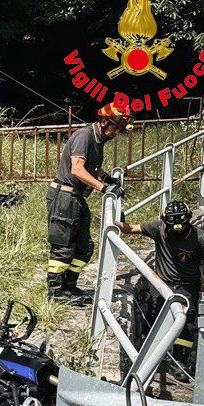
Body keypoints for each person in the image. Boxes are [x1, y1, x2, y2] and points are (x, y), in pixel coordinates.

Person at [116, 200, 204, 371]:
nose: (177, 227)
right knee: (153, 318)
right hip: (161, 285)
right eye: (173, 223)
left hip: (187, 286)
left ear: (188, 219)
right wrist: (118, 220)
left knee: (186, 326)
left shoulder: (200, 237)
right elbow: (131, 229)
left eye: (181, 222)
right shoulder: (158, 229)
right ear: (165, 221)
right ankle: (149, 360)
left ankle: (179, 364)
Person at [47, 102, 133, 302]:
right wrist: (103, 188)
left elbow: (92, 166)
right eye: (116, 127)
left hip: (76, 197)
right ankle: (55, 293)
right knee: (63, 246)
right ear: (104, 121)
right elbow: (77, 169)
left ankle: (69, 286)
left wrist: (107, 177)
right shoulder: (84, 136)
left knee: (84, 246)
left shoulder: (98, 139)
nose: (116, 133)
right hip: (64, 196)